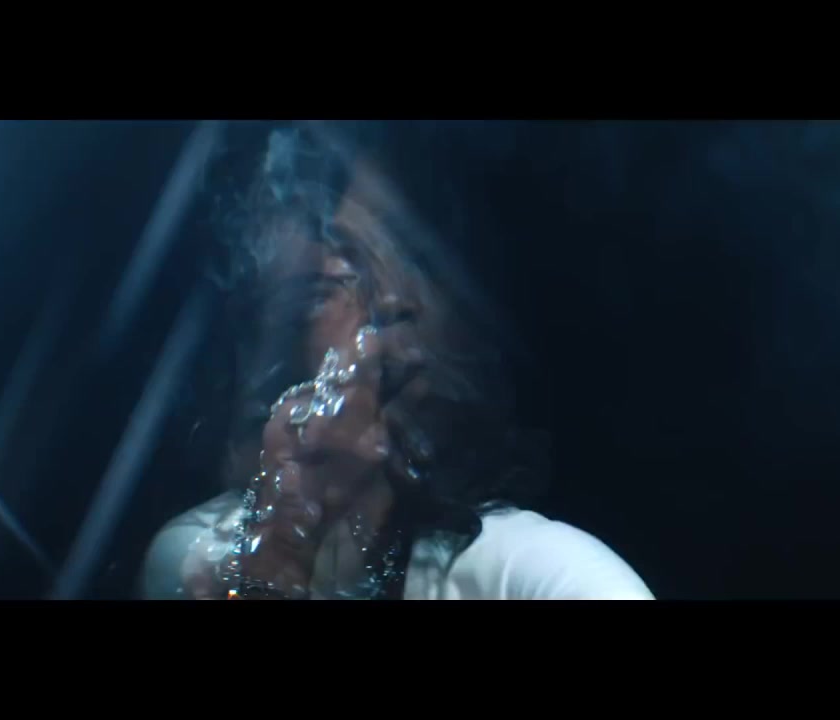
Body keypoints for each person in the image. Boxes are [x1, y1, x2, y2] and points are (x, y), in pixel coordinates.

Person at [141, 121, 653, 600]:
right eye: (342, 275)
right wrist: (281, 550)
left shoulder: (534, 575)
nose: (387, 301)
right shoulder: (203, 554)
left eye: (422, 262)